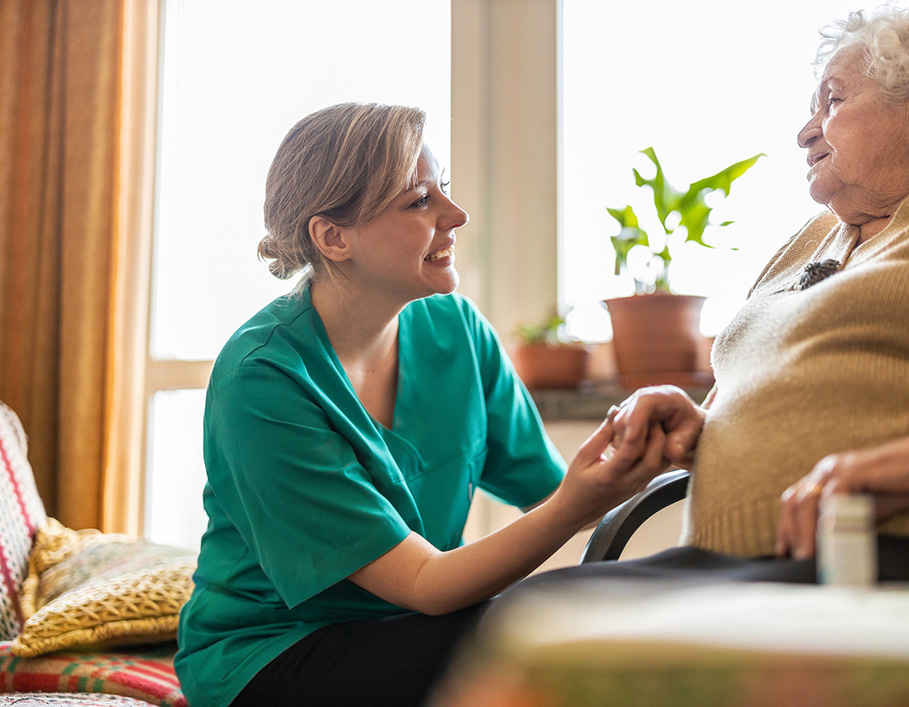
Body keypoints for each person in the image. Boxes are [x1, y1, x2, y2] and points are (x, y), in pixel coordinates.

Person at [505, 2, 909, 593]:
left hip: (886, 554)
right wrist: (701, 424)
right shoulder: (808, 243)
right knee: (522, 614)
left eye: (833, 101)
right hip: (735, 562)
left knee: (530, 623)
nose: (806, 131)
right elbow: (816, 390)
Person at [173, 103, 671, 707]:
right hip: (272, 654)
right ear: (333, 237)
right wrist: (574, 505)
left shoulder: (456, 328)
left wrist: (653, 435)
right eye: (418, 201)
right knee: (530, 640)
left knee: (596, 615)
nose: (456, 216)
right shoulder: (264, 378)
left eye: (446, 192)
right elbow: (425, 582)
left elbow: (551, 489)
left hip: (409, 627)